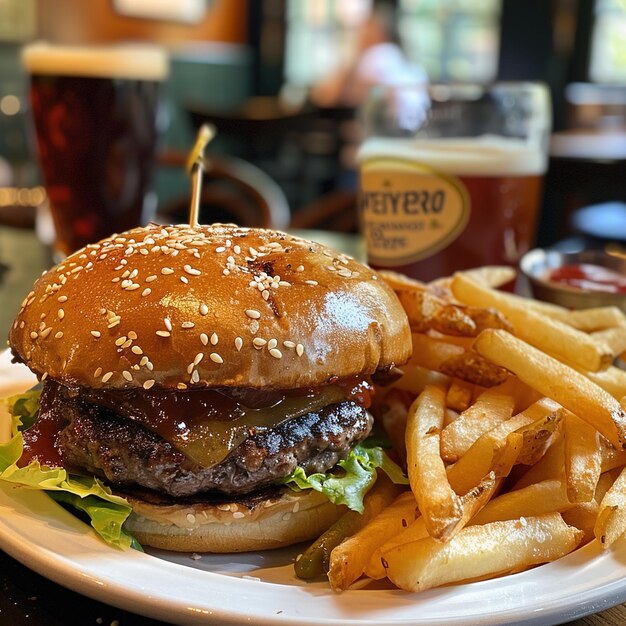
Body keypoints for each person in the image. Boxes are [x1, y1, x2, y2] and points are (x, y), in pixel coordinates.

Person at [310, 0, 428, 109]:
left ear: (379, 30)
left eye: (365, 26)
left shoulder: (378, 55)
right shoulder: (401, 58)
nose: (360, 33)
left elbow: (327, 97)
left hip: (384, 127)